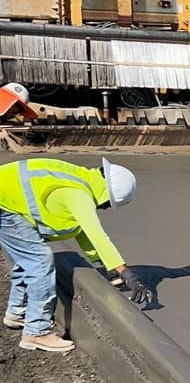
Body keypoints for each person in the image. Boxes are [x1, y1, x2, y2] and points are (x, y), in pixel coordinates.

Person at [0, 120, 150, 354]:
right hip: (5, 207)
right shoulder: (79, 194)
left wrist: (107, 266)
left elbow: (81, 233)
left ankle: (17, 313)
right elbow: (96, 234)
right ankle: (37, 332)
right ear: (107, 195)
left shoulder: (81, 178)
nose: (104, 209)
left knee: (28, 257)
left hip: (7, 202)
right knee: (40, 261)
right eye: (107, 205)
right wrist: (126, 273)